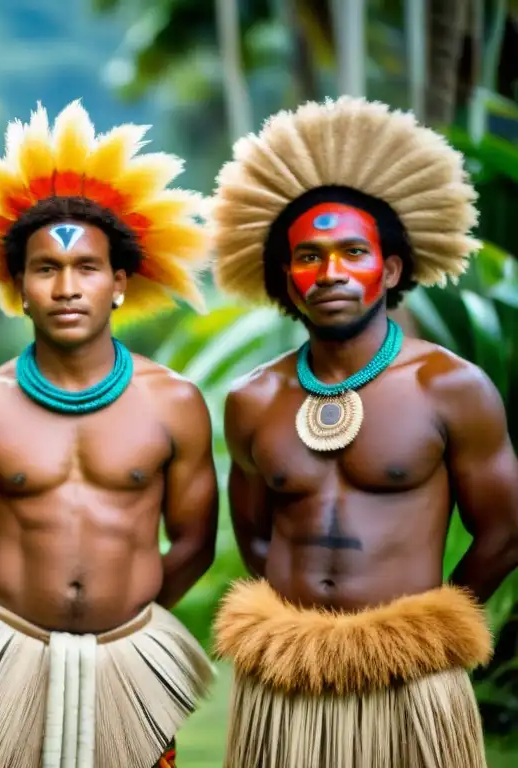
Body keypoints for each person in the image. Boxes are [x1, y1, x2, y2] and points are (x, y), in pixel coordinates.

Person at [210, 96, 518, 768]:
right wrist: (300, 631)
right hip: (286, 680)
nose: (331, 274)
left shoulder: (450, 386)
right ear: (284, 281)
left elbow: (505, 531)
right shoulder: (252, 399)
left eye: (354, 251)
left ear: (395, 268)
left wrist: (422, 633)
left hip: (408, 683)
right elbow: (257, 535)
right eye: (308, 257)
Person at [0, 99, 218, 768]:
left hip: (131, 659)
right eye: (47, 269)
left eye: (87, 268)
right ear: (20, 287)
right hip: (8, 654)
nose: (68, 288)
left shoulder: (173, 402)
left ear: (119, 283)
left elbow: (195, 542)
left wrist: (123, 613)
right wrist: (27, 611)